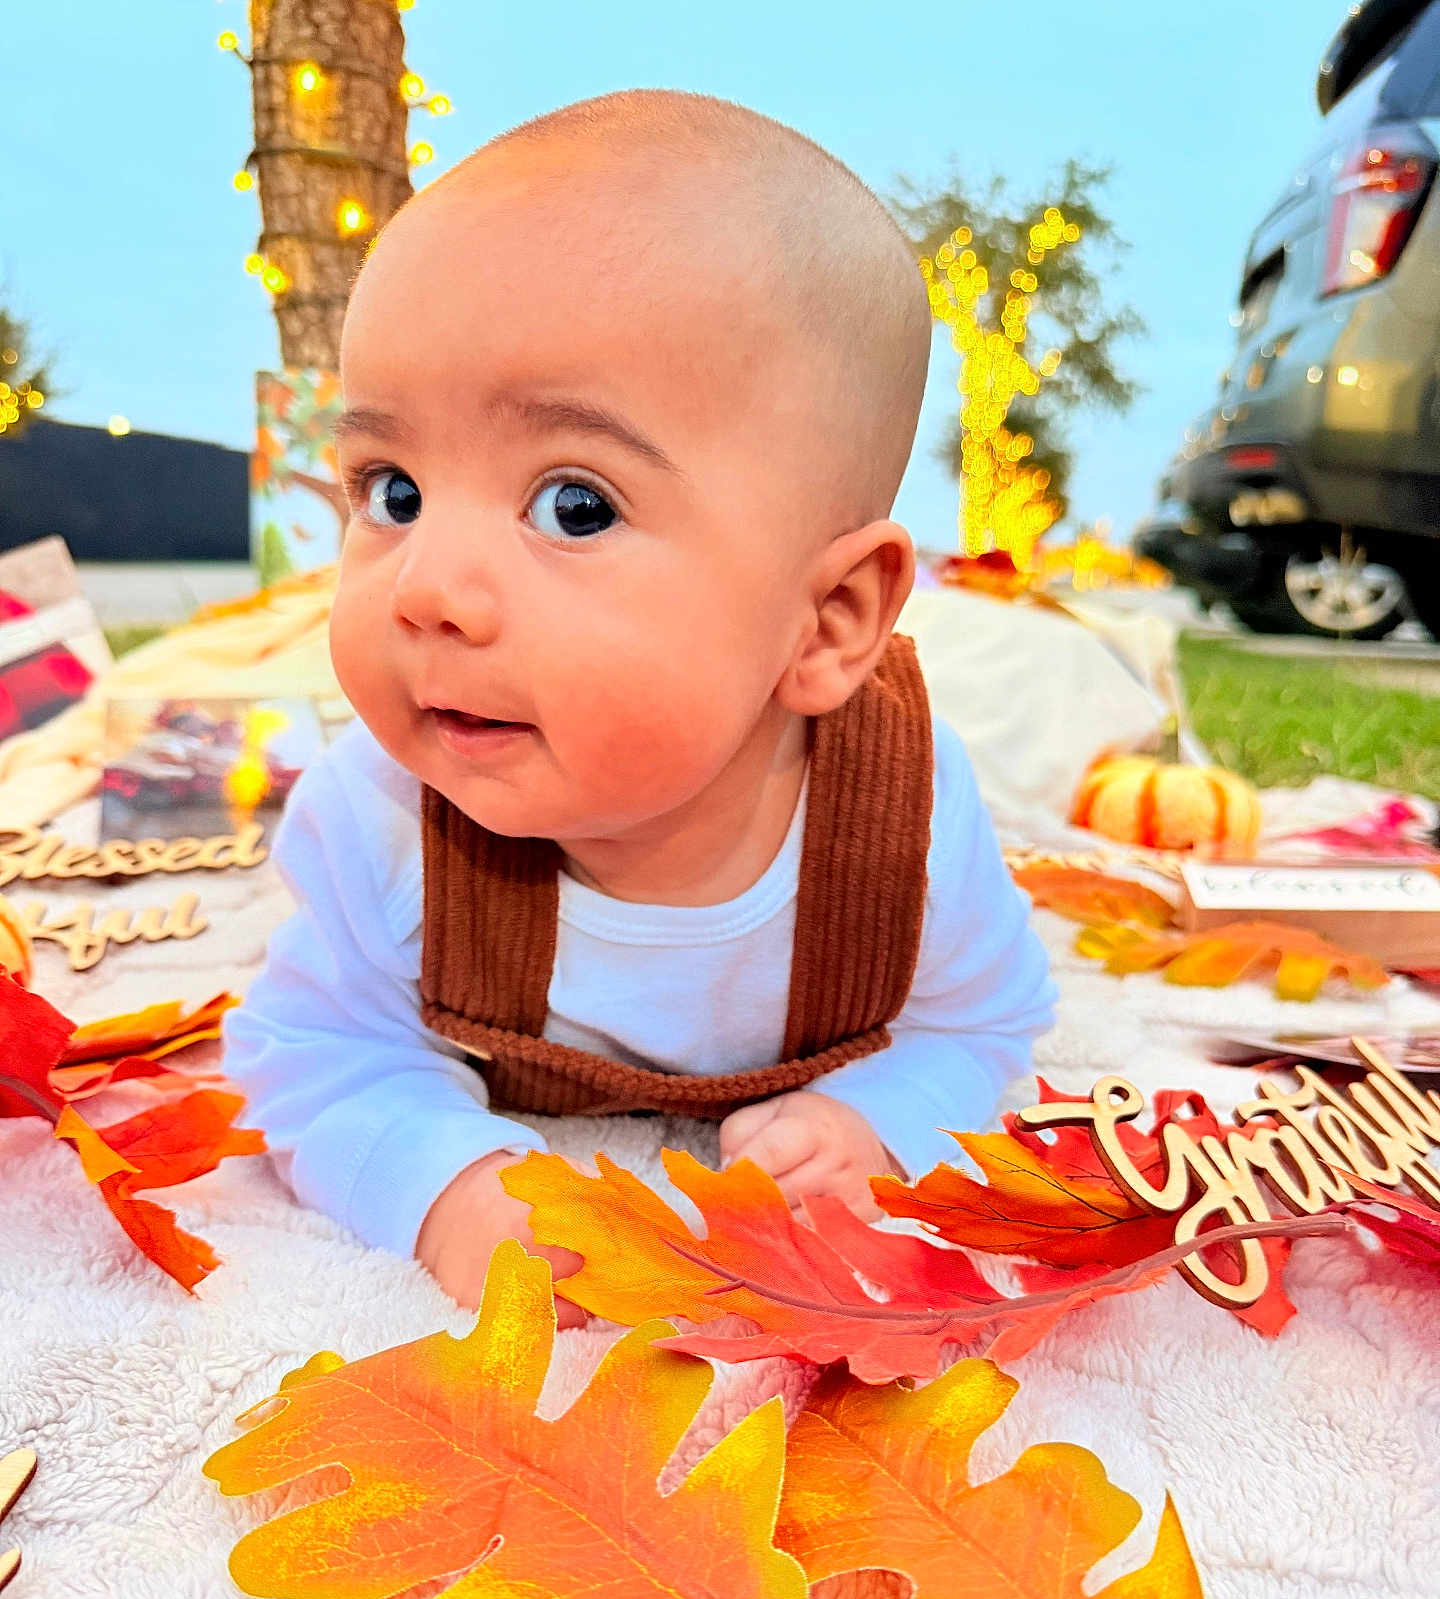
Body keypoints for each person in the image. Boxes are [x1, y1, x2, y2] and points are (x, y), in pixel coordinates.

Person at [223, 88, 1057, 1314]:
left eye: (575, 505)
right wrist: (442, 1181)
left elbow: (987, 1030)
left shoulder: (904, 825)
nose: (428, 588)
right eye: (391, 490)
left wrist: (886, 1118)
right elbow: (314, 1048)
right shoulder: (385, 817)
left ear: (826, 623)